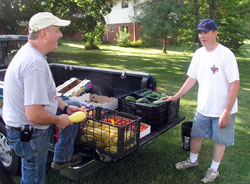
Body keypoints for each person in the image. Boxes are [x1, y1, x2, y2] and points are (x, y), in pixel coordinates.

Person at [3, 12, 84, 184]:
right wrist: (58, 120)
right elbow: (34, 115)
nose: (61, 35)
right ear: (44, 33)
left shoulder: (32, 54)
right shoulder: (34, 64)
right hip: (29, 134)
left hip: (24, 130)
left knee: (32, 172)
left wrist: (64, 107)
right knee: (34, 178)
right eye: (58, 30)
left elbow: (48, 94)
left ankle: (61, 158)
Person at [162, 19, 240, 183]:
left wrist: (226, 111)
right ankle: (192, 161)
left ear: (215, 33)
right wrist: (176, 96)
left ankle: (214, 170)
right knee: (196, 135)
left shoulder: (226, 54)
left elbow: (235, 84)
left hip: (223, 109)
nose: (202, 36)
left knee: (219, 141)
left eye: (206, 32)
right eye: (200, 32)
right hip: (203, 107)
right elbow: (192, 78)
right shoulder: (199, 54)